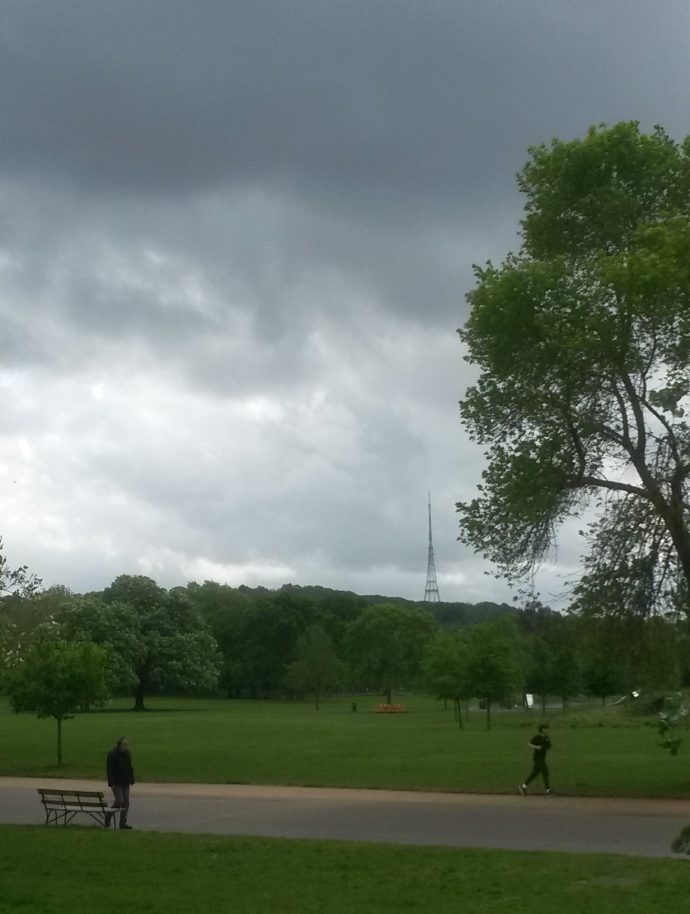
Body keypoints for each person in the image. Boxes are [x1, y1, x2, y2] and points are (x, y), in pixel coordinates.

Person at [105, 736, 135, 829]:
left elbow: (129, 767)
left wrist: (132, 778)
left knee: (126, 802)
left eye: (127, 744)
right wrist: (112, 783)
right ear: (119, 745)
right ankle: (109, 814)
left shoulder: (127, 754)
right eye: (124, 744)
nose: (126, 746)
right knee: (120, 800)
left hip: (125, 781)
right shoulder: (112, 754)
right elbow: (109, 770)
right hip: (116, 782)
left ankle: (123, 823)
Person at [519, 724, 552, 795]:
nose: (546, 730)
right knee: (545, 772)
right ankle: (548, 791)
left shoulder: (546, 737)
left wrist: (548, 745)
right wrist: (536, 747)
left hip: (542, 758)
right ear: (542, 730)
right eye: (545, 728)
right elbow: (529, 744)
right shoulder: (537, 738)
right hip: (537, 758)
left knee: (534, 774)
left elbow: (548, 746)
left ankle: (523, 786)